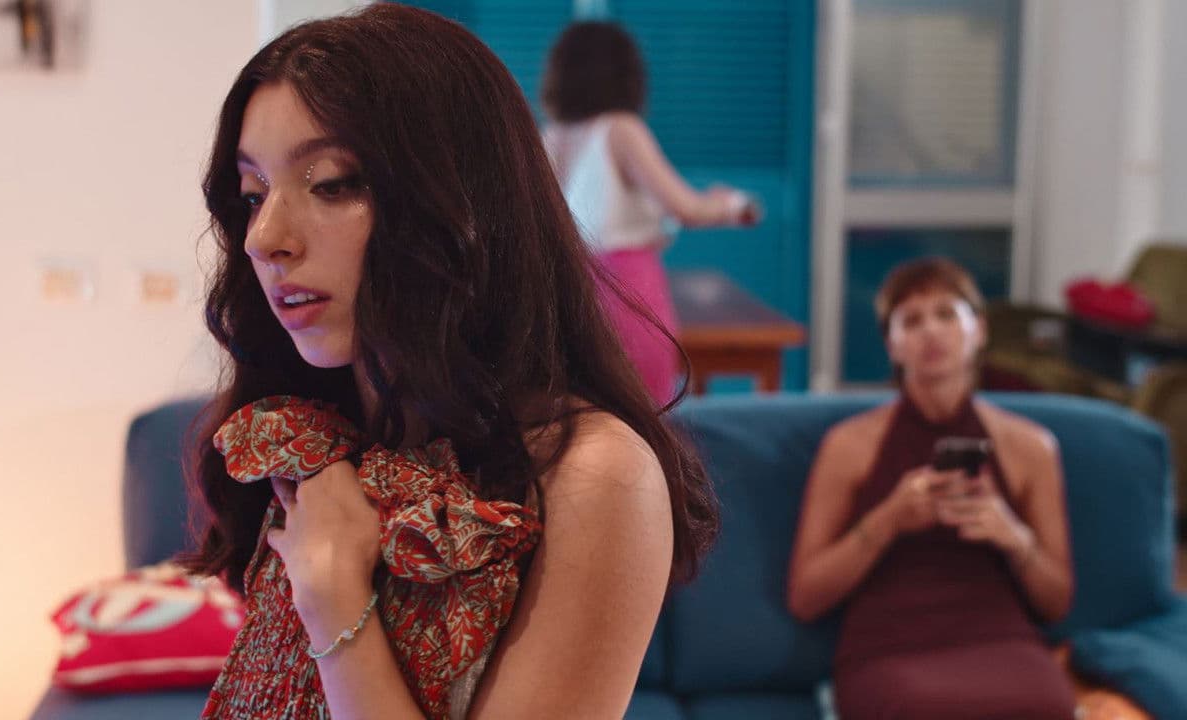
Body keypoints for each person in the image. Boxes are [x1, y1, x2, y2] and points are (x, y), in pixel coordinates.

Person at [181, 4, 719, 719]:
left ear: (462, 201)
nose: (264, 237)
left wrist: (335, 599)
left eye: (332, 183)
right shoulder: (309, 441)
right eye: (253, 195)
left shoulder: (592, 475)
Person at [787, 258, 1076, 719]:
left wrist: (1014, 536)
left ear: (979, 330)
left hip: (999, 636)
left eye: (947, 314)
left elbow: (1056, 603)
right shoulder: (849, 446)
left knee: (1050, 703)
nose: (931, 332)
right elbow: (805, 598)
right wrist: (888, 520)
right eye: (911, 320)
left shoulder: (1030, 447)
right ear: (892, 345)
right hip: (887, 646)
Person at [540, 21, 759, 404]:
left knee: (592, 412)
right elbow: (687, 208)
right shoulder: (622, 129)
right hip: (628, 289)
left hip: (571, 291)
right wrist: (729, 205)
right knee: (646, 409)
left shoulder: (552, 136)